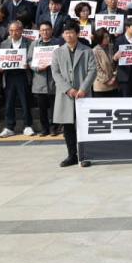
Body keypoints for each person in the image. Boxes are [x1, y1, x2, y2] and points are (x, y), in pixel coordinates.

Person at [51, 20, 97, 167]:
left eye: (71, 32)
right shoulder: (57, 52)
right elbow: (56, 73)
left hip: (83, 94)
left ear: (77, 33)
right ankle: (72, 155)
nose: (69, 35)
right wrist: (68, 89)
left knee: (83, 126)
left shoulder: (86, 50)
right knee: (68, 127)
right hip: (66, 95)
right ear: (63, 35)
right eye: (66, 32)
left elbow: (92, 70)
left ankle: (85, 155)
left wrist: (83, 88)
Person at [0, 20, 33, 137]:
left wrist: (29, 64)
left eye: (16, 30)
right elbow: (1, 60)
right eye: (11, 30)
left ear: (21, 30)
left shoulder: (30, 42)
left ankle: (27, 126)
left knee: (25, 102)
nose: (14, 33)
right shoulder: (4, 44)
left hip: (23, 75)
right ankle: (9, 127)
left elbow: (33, 58)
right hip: (9, 76)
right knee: (9, 102)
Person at [28, 20, 62, 136]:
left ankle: (54, 127)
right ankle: (44, 128)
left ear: (52, 30)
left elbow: (63, 60)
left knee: (54, 107)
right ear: (39, 31)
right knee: (41, 108)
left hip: (54, 80)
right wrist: (38, 67)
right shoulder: (35, 44)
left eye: (47, 29)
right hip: (40, 80)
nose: (45, 32)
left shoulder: (58, 43)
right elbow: (29, 61)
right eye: (42, 30)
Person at [90, 28, 118, 98]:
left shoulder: (112, 47)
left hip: (114, 84)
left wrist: (114, 77)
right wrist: (107, 80)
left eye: (108, 36)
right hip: (101, 86)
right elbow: (97, 68)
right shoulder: (94, 51)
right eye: (105, 37)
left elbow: (117, 64)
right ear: (99, 38)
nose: (108, 38)